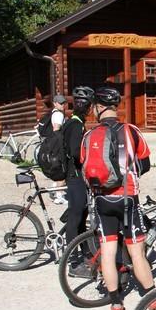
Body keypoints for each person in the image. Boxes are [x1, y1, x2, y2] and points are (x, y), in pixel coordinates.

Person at [81, 86, 156, 310]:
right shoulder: (131, 130)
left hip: (101, 199)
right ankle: (153, 298)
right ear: (113, 107)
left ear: (99, 108)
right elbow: (144, 164)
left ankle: (115, 303)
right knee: (137, 253)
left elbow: (83, 166)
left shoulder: (89, 135)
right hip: (127, 198)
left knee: (108, 251)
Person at [62, 86, 93, 278]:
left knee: (81, 216)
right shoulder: (75, 125)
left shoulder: (74, 122)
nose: (88, 108)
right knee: (75, 218)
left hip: (75, 177)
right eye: (86, 105)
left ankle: (86, 252)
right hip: (75, 177)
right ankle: (72, 262)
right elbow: (75, 152)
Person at [50, 94, 68, 204]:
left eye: (63, 103)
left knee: (61, 170)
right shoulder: (58, 115)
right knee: (63, 171)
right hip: (59, 146)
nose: (63, 105)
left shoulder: (54, 113)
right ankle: (58, 196)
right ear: (55, 103)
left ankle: (55, 189)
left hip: (56, 145)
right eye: (60, 103)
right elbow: (56, 129)